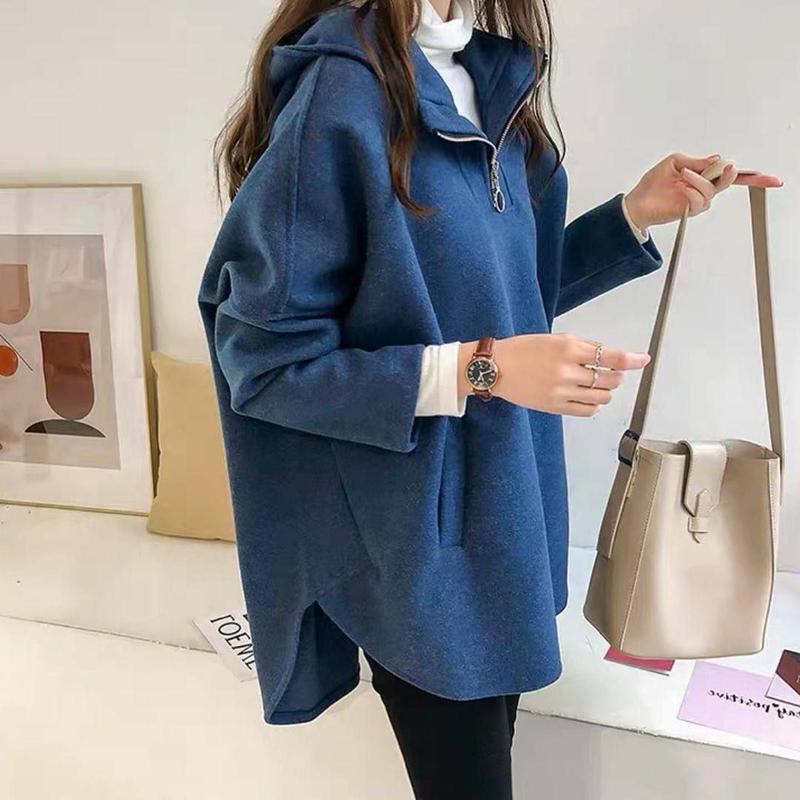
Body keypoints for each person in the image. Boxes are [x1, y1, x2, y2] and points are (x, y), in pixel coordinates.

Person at [197, 1, 782, 797]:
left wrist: (635, 214)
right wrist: (485, 370)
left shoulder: (486, 77)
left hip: (508, 513)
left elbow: (507, 297)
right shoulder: (341, 95)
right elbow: (266, 365)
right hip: (418, 545)